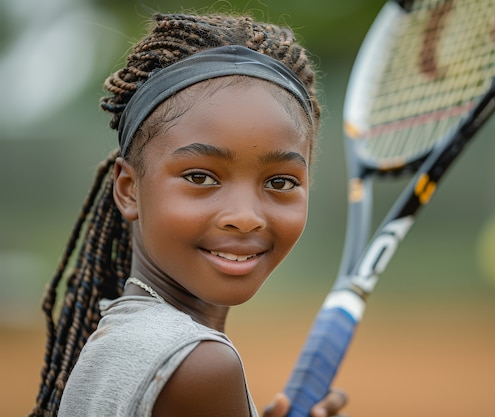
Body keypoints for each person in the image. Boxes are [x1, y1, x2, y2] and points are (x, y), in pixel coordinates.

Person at [30, 11, 348, 417]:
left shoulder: (122, 338)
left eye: (280, 182)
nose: (245, 216)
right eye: (201, 177)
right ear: (128, 189)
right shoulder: (199, 366)